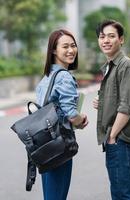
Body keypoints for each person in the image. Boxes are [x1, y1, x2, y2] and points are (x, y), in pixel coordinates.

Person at [93, 19, 130, 200]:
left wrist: (113, 136)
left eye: (111, 36)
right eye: (102, 36)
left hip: (122, 139)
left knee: (122, 195)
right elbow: (120, 99)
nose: (105, 40)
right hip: (118, 139)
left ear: (121, 40)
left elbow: (128, 106)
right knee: (128, 192)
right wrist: (103, 103)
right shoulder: (111, 66)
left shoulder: (126, 66)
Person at [36, 29, 88, 200]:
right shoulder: (64, 77)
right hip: (59, 145)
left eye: (73, 46)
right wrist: (81, 120)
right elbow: (72, 115)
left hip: (44, 145)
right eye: (65, 46)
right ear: (53, 50)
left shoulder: (47, 76)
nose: (71, 50)